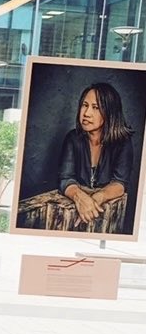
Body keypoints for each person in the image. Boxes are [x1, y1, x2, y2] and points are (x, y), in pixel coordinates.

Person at [57, 81, 134, 226]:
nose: (86, 113)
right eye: (84, 105)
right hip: (72, 214)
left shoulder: (123, 141)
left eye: (95, 107)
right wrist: (80, 197)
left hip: (106, 215)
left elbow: (120, 183)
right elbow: (65, 179)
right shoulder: (73, 138)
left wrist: (97, 198)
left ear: (109, 113)